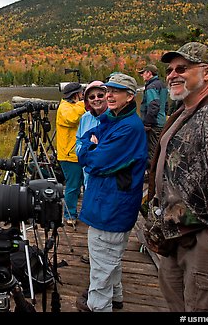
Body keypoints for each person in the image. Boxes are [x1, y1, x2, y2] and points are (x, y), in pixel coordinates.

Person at [146, 42, 208, 312]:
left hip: (206, 243)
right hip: (176, 237)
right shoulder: (183, 112)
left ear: (207, 72)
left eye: (182, 68)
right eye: (170, 69)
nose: (173, 74)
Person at [75, 73, 147, 312]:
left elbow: (93, 162)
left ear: (130, 96)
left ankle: (98, 306)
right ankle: (117, 298)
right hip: (108, 205)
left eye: (116, 91)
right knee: (110, 261)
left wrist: (90, 148)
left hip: (110, 208)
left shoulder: (128, 128)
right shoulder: (113, 119)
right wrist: (90, 144)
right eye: (108, 90)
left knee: (101, 269)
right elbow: (85, 140)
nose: (109, 95)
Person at [75, 80, 108, 265]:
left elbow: (107, 151)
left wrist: (94, 147)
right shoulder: (85, 119)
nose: (96, 99)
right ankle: (93, 252)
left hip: (107, 178)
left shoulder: (114, 117)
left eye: (100, 95)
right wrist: (89, 148)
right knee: (92, 215)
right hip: (88, 175)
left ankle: (103, 256)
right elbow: (80, 143)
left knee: (105, 216)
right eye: (92, 96)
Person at [56, 81, 86, 227]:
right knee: (73, 187)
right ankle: (69, 215)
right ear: (76, 95)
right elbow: (72, 118)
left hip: (78, 153)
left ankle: (85, 213)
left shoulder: (74, 106)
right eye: (82, 94)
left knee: (83, 184)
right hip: (69, 155)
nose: (84, 96)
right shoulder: (64, 108)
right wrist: (83, 104)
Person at [137, 64, 168, 171]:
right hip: (162, 122)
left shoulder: (151, 86)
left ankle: (153, 177)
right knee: (160, 149)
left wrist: (147, 123)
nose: (142, 75)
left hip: (154, 125)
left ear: (149, 73)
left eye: (143, 73)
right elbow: (166, 104)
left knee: (152, 151)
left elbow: (154, 104)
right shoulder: (162, 85)